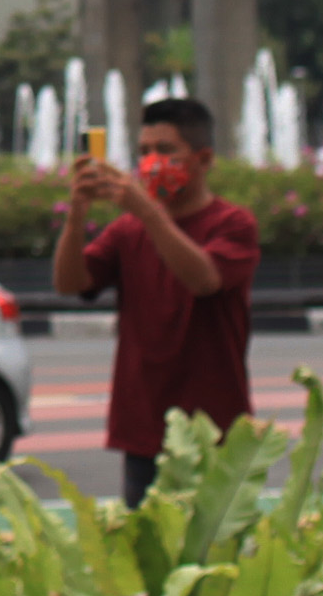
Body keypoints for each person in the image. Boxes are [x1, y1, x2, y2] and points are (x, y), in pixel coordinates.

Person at [49, 94, 260, 504]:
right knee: (145, 537)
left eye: (165, 150)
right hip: (145, 425)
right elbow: (70, 282)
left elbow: (204, 280)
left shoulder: (233, 224)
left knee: (217, 538)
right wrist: (76, 214)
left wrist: (147, 211)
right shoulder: (127, 231)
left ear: (203, 159)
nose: (151, 162)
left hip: (214, 427)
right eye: (144, 151)